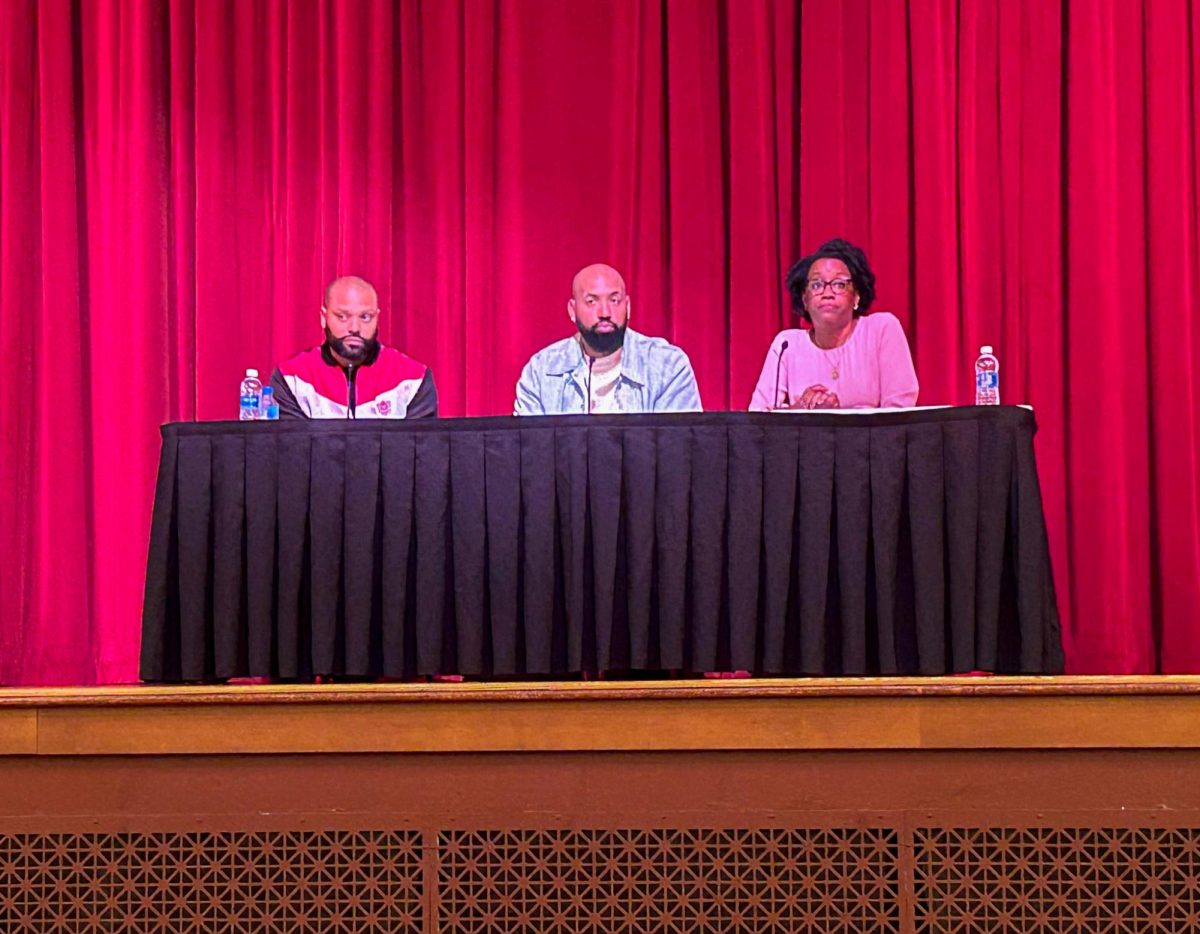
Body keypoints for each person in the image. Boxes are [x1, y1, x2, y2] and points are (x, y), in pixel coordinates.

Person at [749, 239, 918, 410]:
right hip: (807, 436)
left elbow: (899, 414)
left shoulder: (881, 330)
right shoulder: (787, 345)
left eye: (839, 284)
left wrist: (836, 418)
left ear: (857, 296)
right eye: (816, 285)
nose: (827, 292)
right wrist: (800, 411)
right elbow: (758, 418)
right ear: (804, 299)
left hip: (870, 437)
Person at [514, 263, 702, 415]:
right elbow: (530, 452)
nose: (605, 313)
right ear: (572, 310)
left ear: (627, 307)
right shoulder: (541, 371)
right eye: (592, 301)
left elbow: (678, 450)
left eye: (614, 300)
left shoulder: (667, 366)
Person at [271, 275, 437, 419]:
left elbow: (419, 450)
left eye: (365, 317)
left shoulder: (413, 379)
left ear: (377, 318)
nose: (355, 328)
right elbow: (291, 450)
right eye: (342, 316)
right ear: (324, 317)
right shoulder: (292, 378)